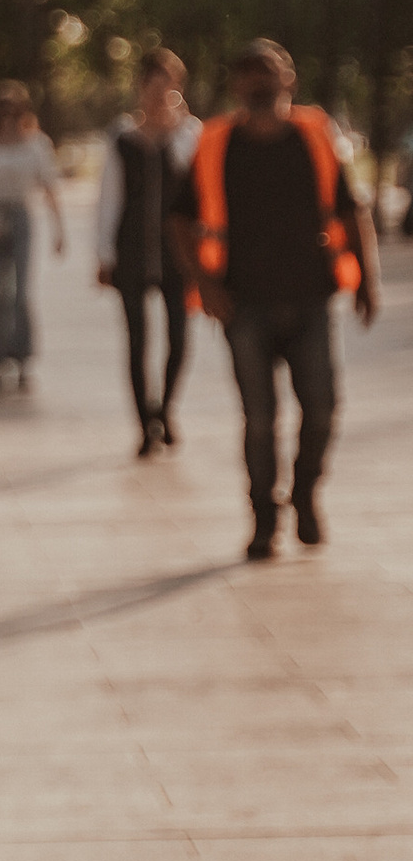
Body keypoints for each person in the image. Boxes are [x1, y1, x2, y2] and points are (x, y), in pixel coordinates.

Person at [172, 38, 380, 559]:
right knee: (260, 419)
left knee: (323, 409)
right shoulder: (216, 142)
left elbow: (351, 209)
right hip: (243, 304)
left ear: (289, 78)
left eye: (268, 70)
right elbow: (177, 218)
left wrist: (368, 282)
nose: (258, 80)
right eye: (247, 72)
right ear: (236, 85)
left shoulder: (314, 135)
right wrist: (204, 283)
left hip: (311, 299)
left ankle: (305, 492)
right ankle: (264, 520)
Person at [94, 53, 200, 456]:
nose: (158, 96)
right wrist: (104, 252)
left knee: (179, 338)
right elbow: (109, 197)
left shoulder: (189, 135)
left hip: (178, 254)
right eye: (152, 87)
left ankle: (165, 409)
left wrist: (174, 131)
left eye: (167, 87)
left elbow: (196, 188)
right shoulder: (122, 137)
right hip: (133, 251)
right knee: (137, 340)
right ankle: (144, 425)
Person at [0, 83, 66, 394]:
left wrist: (59, 229)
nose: (7, 117)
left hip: (21, 216)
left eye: (13, 111)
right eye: (2, 111)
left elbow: (49, 187)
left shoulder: (35, 145)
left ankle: (22, 359)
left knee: (20, 291)